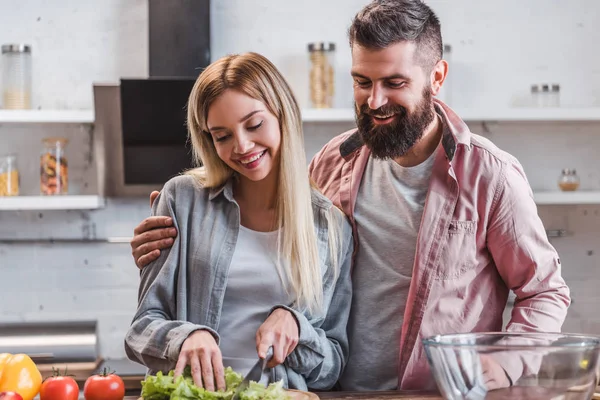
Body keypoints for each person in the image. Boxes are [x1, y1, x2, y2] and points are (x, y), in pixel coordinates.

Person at [129, 0, 570, 392]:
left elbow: (545, 291)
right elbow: (267, 221)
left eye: (393, 82)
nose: (374, 100)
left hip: (434, 392)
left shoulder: (489, 176)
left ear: (437, 77)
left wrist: (505, 364)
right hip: (342, 388)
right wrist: (177, 227)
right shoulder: (332, 161)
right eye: (362, 81)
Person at [124, 52, 354, 393]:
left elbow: (332, 368)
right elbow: (140, 330)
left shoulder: (330, 228)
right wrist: (186, 336)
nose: (242, 146)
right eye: (222, 136)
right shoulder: (182, 200)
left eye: (254, 124)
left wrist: (297, 328)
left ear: (282, 114)